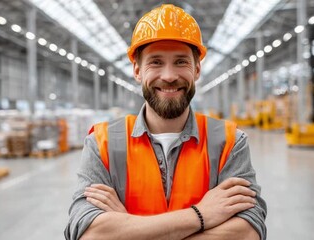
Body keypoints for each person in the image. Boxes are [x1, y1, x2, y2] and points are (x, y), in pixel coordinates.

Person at [65, 4, 267, 240]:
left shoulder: (230, 141)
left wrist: (128, 228)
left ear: (197, 69)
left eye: (181, 62)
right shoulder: (102, 143)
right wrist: (200, 216)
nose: (169, 76)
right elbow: (88, 234)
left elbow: (247, 232)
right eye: (156, 62)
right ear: (137, 70)